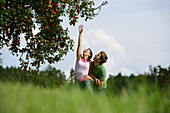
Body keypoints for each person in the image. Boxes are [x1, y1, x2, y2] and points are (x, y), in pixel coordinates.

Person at [75, 25, 94, 93]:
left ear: (89, 55)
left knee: (90, 98)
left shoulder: (90, 62)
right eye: (85, 49)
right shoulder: (79, 58)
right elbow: (79, 45)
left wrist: (91, 79)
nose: (85, 50)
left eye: (87, 50)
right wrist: (80, 34)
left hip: (85, 82)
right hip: (77, 83)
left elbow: (90, 73)